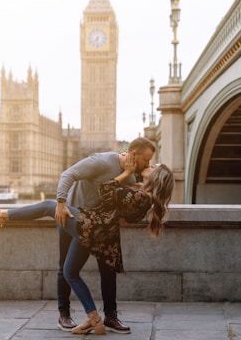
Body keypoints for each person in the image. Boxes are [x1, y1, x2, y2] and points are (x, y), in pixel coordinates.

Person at [0, 162, 174, 335]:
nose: (150, 165)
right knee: (70, 271)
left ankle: (1, 214)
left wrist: (125, 173)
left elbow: (105, 189)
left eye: (154, 167)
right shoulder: (145, 201)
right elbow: (121, 214)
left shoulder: (140, 197)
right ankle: (94, 318)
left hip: (90, 225)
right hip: (100, 233)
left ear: (157, 178)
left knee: (50, 205)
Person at [54, 137, 156, 334]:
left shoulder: (131, 177)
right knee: (65, 266)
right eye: (146, 160)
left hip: (100, 224)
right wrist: (60, 203)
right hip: (72, 216)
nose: (148, 164)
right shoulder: (101, 162)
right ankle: (64, 314)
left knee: (108, 269)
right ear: (134, 155)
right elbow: (68, 174)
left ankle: (110, 316)